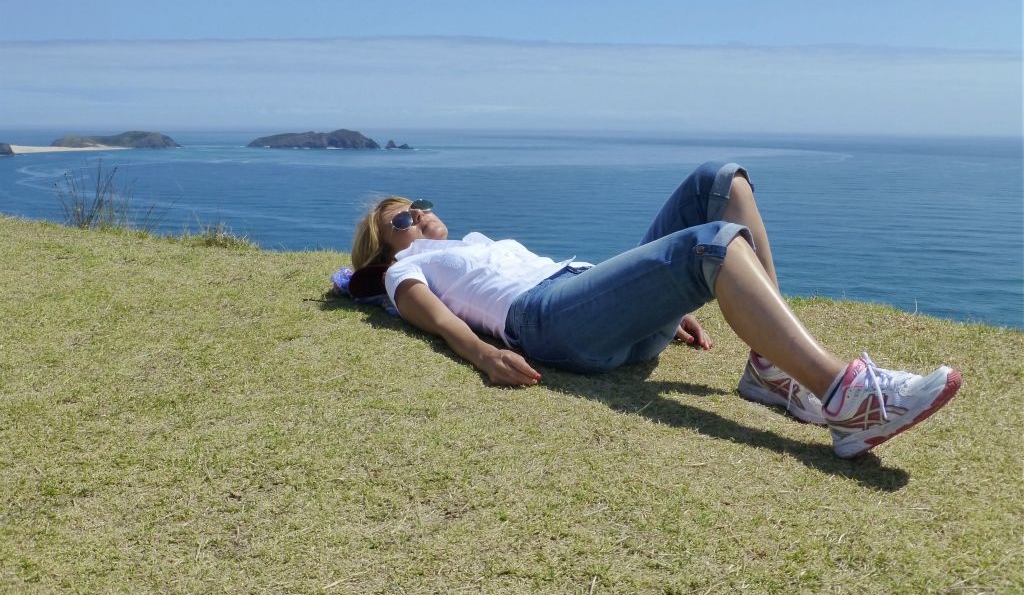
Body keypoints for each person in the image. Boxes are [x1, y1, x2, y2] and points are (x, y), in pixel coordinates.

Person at [349, 162, 961, 459]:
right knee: (710, 245)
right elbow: (434, 318)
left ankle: (772, 372)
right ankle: (846, 401)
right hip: (545, 323)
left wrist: (648, 300)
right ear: (388, 245)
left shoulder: (473, 242)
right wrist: (484, 355)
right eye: (402, 218)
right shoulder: (410, 268)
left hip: (586, 304)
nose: (418, 215)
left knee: (717, 182)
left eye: (418, 204)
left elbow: (565, 273)